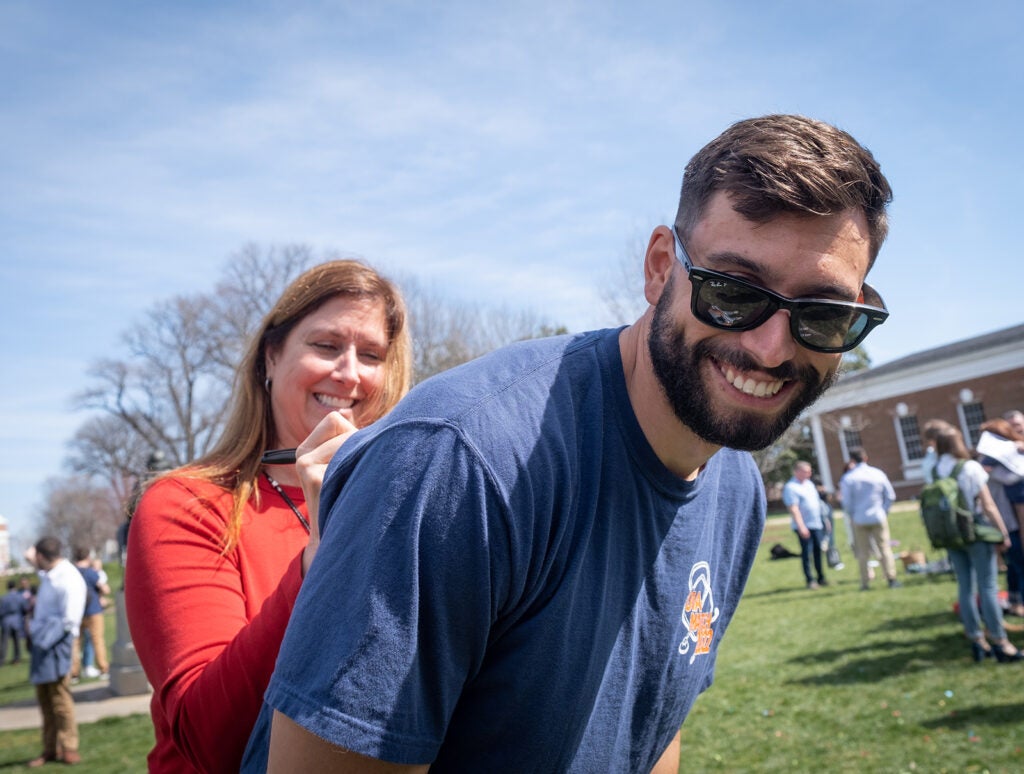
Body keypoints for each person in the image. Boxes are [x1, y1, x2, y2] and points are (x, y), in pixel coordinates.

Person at [244, 114, 894, 772]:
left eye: (824, 313)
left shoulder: (737, 489)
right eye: (730, 292)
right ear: (661, 266)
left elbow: (654, 723)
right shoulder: (457, 465)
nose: (770, 347)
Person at [125, 260, 413, 773]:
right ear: (271, 356)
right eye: (326, 346)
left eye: (371, 355)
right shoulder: (185, 504)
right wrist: (322, 558)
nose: (348, 373)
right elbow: (210, 737)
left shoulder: (404, 507)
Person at [922, 419, 1021, 662]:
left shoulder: (934, 470)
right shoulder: (969, 468)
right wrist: (1003, 533)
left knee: (965, 586)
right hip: (976, 533)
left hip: (951, 535)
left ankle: (977, 640)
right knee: (987, 586)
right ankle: (1000, 641)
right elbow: (987, 505)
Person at [26, 537, 87, 767]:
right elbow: (33, 560)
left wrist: (45, 639)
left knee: (61, 700)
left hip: (57, 642)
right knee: (45, 701)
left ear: (41, 556)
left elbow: (69, 620)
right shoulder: (49, 574)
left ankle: (69, 747)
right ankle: (50, 749)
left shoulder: (68, 577)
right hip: (43, 642)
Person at [978, 418, 1024, 617]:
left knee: (1015, 567)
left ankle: (1014, 603)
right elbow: (1014, 478)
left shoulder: (988, 463)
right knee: (1021, 568)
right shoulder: (992, 465)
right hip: (1009, 524)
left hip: (1004, 524)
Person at [839, 447, 902, 590]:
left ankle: (865, 583)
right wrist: (883, 511)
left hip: (859, 518)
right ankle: (891, 578)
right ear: (865, 458)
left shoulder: (848, 478)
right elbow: (890, 496)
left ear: (852, 460)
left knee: (862, 552)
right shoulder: (877, 474)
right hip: (877, 516)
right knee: (885, 548)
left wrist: (852, 515)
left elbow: (846, 503)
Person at [784, 461, 829, 589]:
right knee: (806, 553)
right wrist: (801, 526)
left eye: (810, 471)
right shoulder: (791, 487)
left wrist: (825, 520)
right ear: (797, 471)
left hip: (816, 523)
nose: (809, 473)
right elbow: (794, 508)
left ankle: (821, 577)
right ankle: (810, 580)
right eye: (806, 471)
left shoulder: (809, 484)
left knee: (818, 552)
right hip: (804, 525)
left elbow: (817, 504)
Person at [71, 546, 109, 680]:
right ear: (87, 557)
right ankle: (103, 668)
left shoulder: (71, 572)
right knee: (97, 640)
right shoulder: (91, 572)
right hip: (93, 610)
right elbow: (105, 589)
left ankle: (74, 673)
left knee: (75, 643)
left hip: (76, 612)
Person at [1, 579, 28, 664]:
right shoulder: (19, 597)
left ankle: (2, 659)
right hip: (17, 620)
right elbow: (25, 608)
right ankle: (17, 658)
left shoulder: (4, 598)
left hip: (6, 620)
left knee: (4, 642)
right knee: (17, 641)